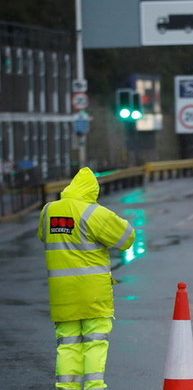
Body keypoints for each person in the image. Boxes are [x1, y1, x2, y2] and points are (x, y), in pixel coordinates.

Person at [36, 167, 134, 390]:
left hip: (62, 294)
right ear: (92, 192)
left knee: (67, 343)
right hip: (92, 294)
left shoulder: (49, 211)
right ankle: (93, 386)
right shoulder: (94, 213)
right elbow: (127, 238)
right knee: (95, 341)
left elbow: (43, 235)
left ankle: (66, 387)